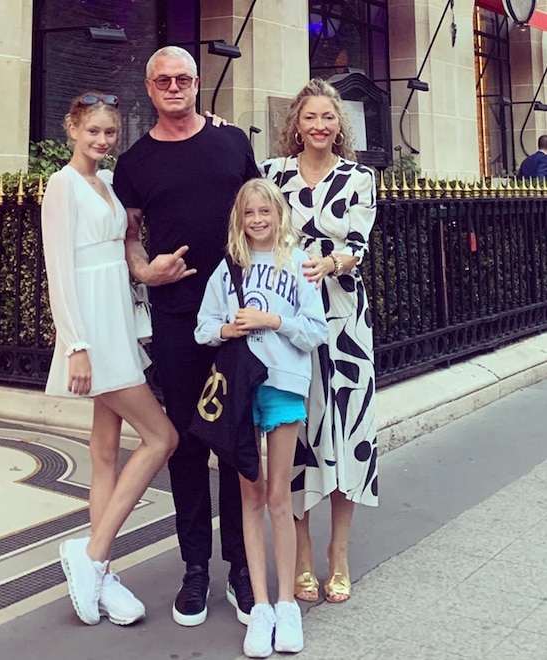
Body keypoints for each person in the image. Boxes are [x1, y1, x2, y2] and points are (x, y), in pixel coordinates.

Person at [112, 46, 260, 627]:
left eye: (183, 79)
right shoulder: (134, 162)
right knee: (187, 443)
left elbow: (261, 214)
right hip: (176, 317)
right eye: (163, 81)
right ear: (149, 88)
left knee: (236, 439)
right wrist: (145, 271)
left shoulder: (231, 143)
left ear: (197, 84)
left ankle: (242, 566)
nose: (174, 88)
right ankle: (195, 566)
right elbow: (128, 236)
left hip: (239, 316)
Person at [42, 91, 178, 627]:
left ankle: (100, 574)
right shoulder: (63, 185)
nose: (102, 140)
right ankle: (92, 553)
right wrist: (75, 344)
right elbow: (58, 270)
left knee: (104, 451)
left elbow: (123, 249)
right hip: (92, 328)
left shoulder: (109, 182)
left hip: (117, 317)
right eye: (93, 130)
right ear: (72, 129)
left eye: (110, 132)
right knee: (161, 437)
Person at [195, 179, 328, 658]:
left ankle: (287, 603)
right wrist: (228, 329)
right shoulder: (230, 266)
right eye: (249, 213)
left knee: (278, 496)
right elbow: (203, 327)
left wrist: (274, 321)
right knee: (249, 496)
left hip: (283, 383)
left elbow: (315, 330)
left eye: (264, 212)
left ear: (278, 214)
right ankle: (262, 606)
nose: (257, 220)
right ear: (240, 218)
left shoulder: (297, 262)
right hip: (239, 389)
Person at [260, 79, 378, 604]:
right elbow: (257, 229)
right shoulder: (273, 174)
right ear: (297, 124)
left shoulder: (359, 178)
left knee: (347, 432)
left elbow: (359, 245)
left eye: (328, 117)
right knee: (297, 432)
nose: (319, 126)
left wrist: (330, 263)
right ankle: (302, 554)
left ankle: (340, 553)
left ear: (339, 124)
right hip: (289, 317)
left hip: (343, 320)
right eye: (310, 117)